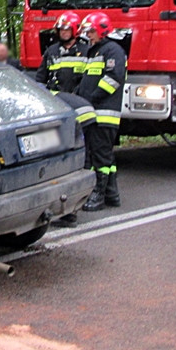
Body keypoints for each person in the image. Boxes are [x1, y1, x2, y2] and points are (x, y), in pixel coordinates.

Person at [75, 11, 127, 212]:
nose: (88, 35)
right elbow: (87, 79)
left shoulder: (113, 50)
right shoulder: (95, 51)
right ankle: (112, 194)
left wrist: (91, 98)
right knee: (104, 154)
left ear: (102, 30)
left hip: (105, 112)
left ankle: (98, 194)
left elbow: (113, 79)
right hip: (94, 112)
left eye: (91, 31)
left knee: (100, 156)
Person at [34, 10, 87, 93]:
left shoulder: (86, 51)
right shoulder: (51, 51)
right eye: (61, 29)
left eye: (67, 29)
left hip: (78, 99)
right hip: (56, 100)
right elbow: (40, 78)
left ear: (75, 30)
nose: (63, 32)